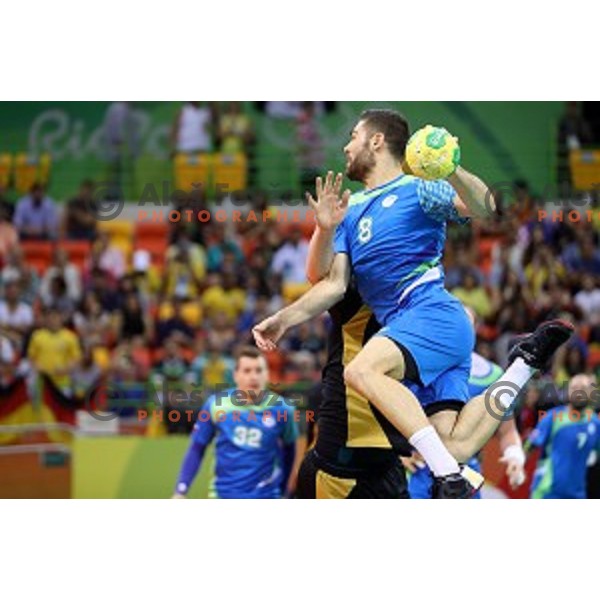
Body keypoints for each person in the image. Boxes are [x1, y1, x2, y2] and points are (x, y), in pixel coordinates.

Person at [254, 109, 573, 498]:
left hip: (431, 316)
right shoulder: (349, 209)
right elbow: (331, 283)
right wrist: (285, 316)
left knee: (361, 371)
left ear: (376, 141)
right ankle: (524, 365)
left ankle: (448, 477)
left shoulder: (419, 188)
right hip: (423, 336)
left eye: (353, 135)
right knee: (455, 443)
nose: (345, 145)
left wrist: (452, 169)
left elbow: (486, 208)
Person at [172, 347, 304, 499]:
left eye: (259, 370)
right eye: (247, 371)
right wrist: (181, 489)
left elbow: (289, 452)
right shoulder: (216, 405)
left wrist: (283, 491)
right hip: (223, 495)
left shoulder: (283, 409)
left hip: (267, 495)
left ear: (267, 375)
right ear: (236, 375)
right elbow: (197, 447)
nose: (253, 377)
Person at [407, 353, 526, 499]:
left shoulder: (493, 375)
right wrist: (397, 453)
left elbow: (507, 431)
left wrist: (514, 455)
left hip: (465, 475)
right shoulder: (416, 361)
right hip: (417, 473)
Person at [527, 374, 600, 499]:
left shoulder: (595, 423)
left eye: (583, 388)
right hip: (547, 490)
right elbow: (530, 445)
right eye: (574, 387)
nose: (578, 392)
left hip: (577, 494)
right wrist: (517, 464)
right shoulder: (554, 417)